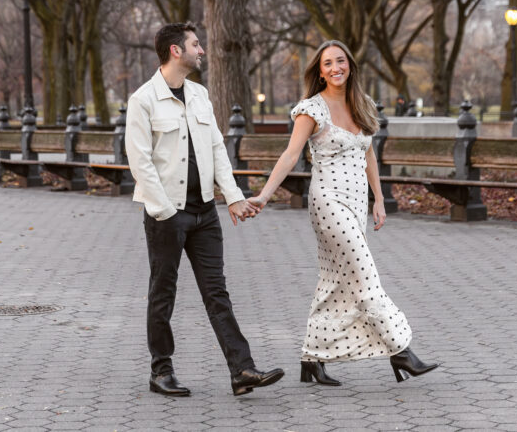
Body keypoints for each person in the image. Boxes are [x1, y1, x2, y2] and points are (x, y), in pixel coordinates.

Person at [247, 40, 437, 387]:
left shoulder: (361, 104)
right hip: (328, 202)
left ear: (350, 65)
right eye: (328, 63)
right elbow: (290, 155)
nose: (336, 67)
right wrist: (264, 194)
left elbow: (369, 156)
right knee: (365, 274)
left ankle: (311, 360)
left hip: (357, 203)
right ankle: (401, 350)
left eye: (341, 61)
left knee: (334, 283)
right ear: (319, 71)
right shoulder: (311, 109)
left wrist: (379, 199)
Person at [125, 22, 284, 397]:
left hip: (205, 214)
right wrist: (164, 211)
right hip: (167, 216)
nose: (202, 50)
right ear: (176, 51)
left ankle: (242, 370)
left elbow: (216, 150)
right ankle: (160, 371)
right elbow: (140, 162)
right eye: (196, 44)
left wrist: (232, 197)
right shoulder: (143, 100)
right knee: (163, 293)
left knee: (217, 293)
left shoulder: (199, 95)